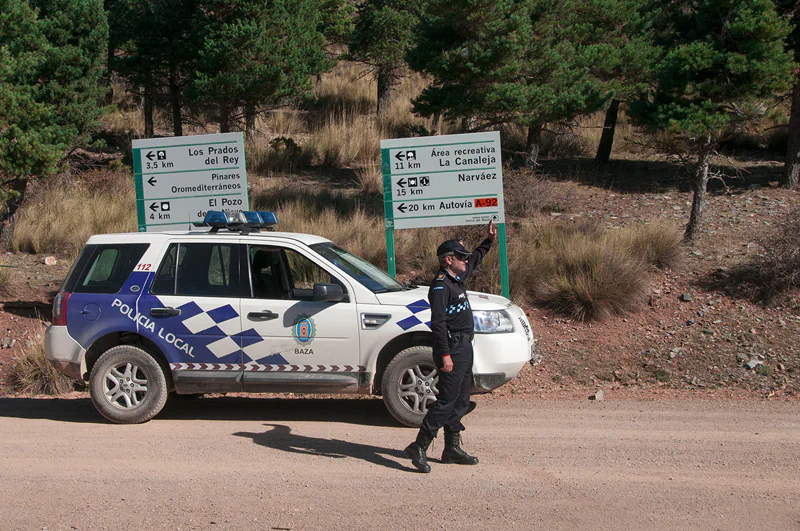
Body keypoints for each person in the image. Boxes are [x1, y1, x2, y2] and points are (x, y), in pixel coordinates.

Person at [404, 219, 498, 473]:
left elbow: (476, 260)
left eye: (465, 257)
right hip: (452, 348)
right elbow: (439, 324)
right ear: (448, 260)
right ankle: (420, 446)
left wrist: (487, 242)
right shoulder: (440, 286)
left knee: (461, 399)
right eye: (461, 257)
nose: (466, 260)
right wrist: (445, 353)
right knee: (446, 400)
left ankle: (451, 448)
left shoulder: (456, 278)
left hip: (465, 347)